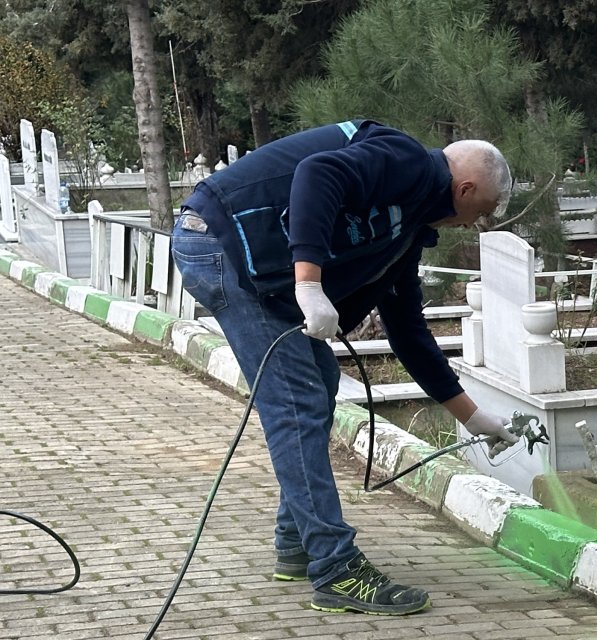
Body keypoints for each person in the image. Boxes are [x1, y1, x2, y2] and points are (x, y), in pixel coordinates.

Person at [170, 119, 519, 616]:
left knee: (321, 383)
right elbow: (317, 173)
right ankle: (335, 569)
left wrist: (471, 416)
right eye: (478, 213)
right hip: (221, 243)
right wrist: (309, 284)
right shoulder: (410, 163)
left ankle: (296, 546)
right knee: (297, 403)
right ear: (464, 189)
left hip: (249, 258)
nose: (470, 225)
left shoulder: (410, 224)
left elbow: (407, 331)